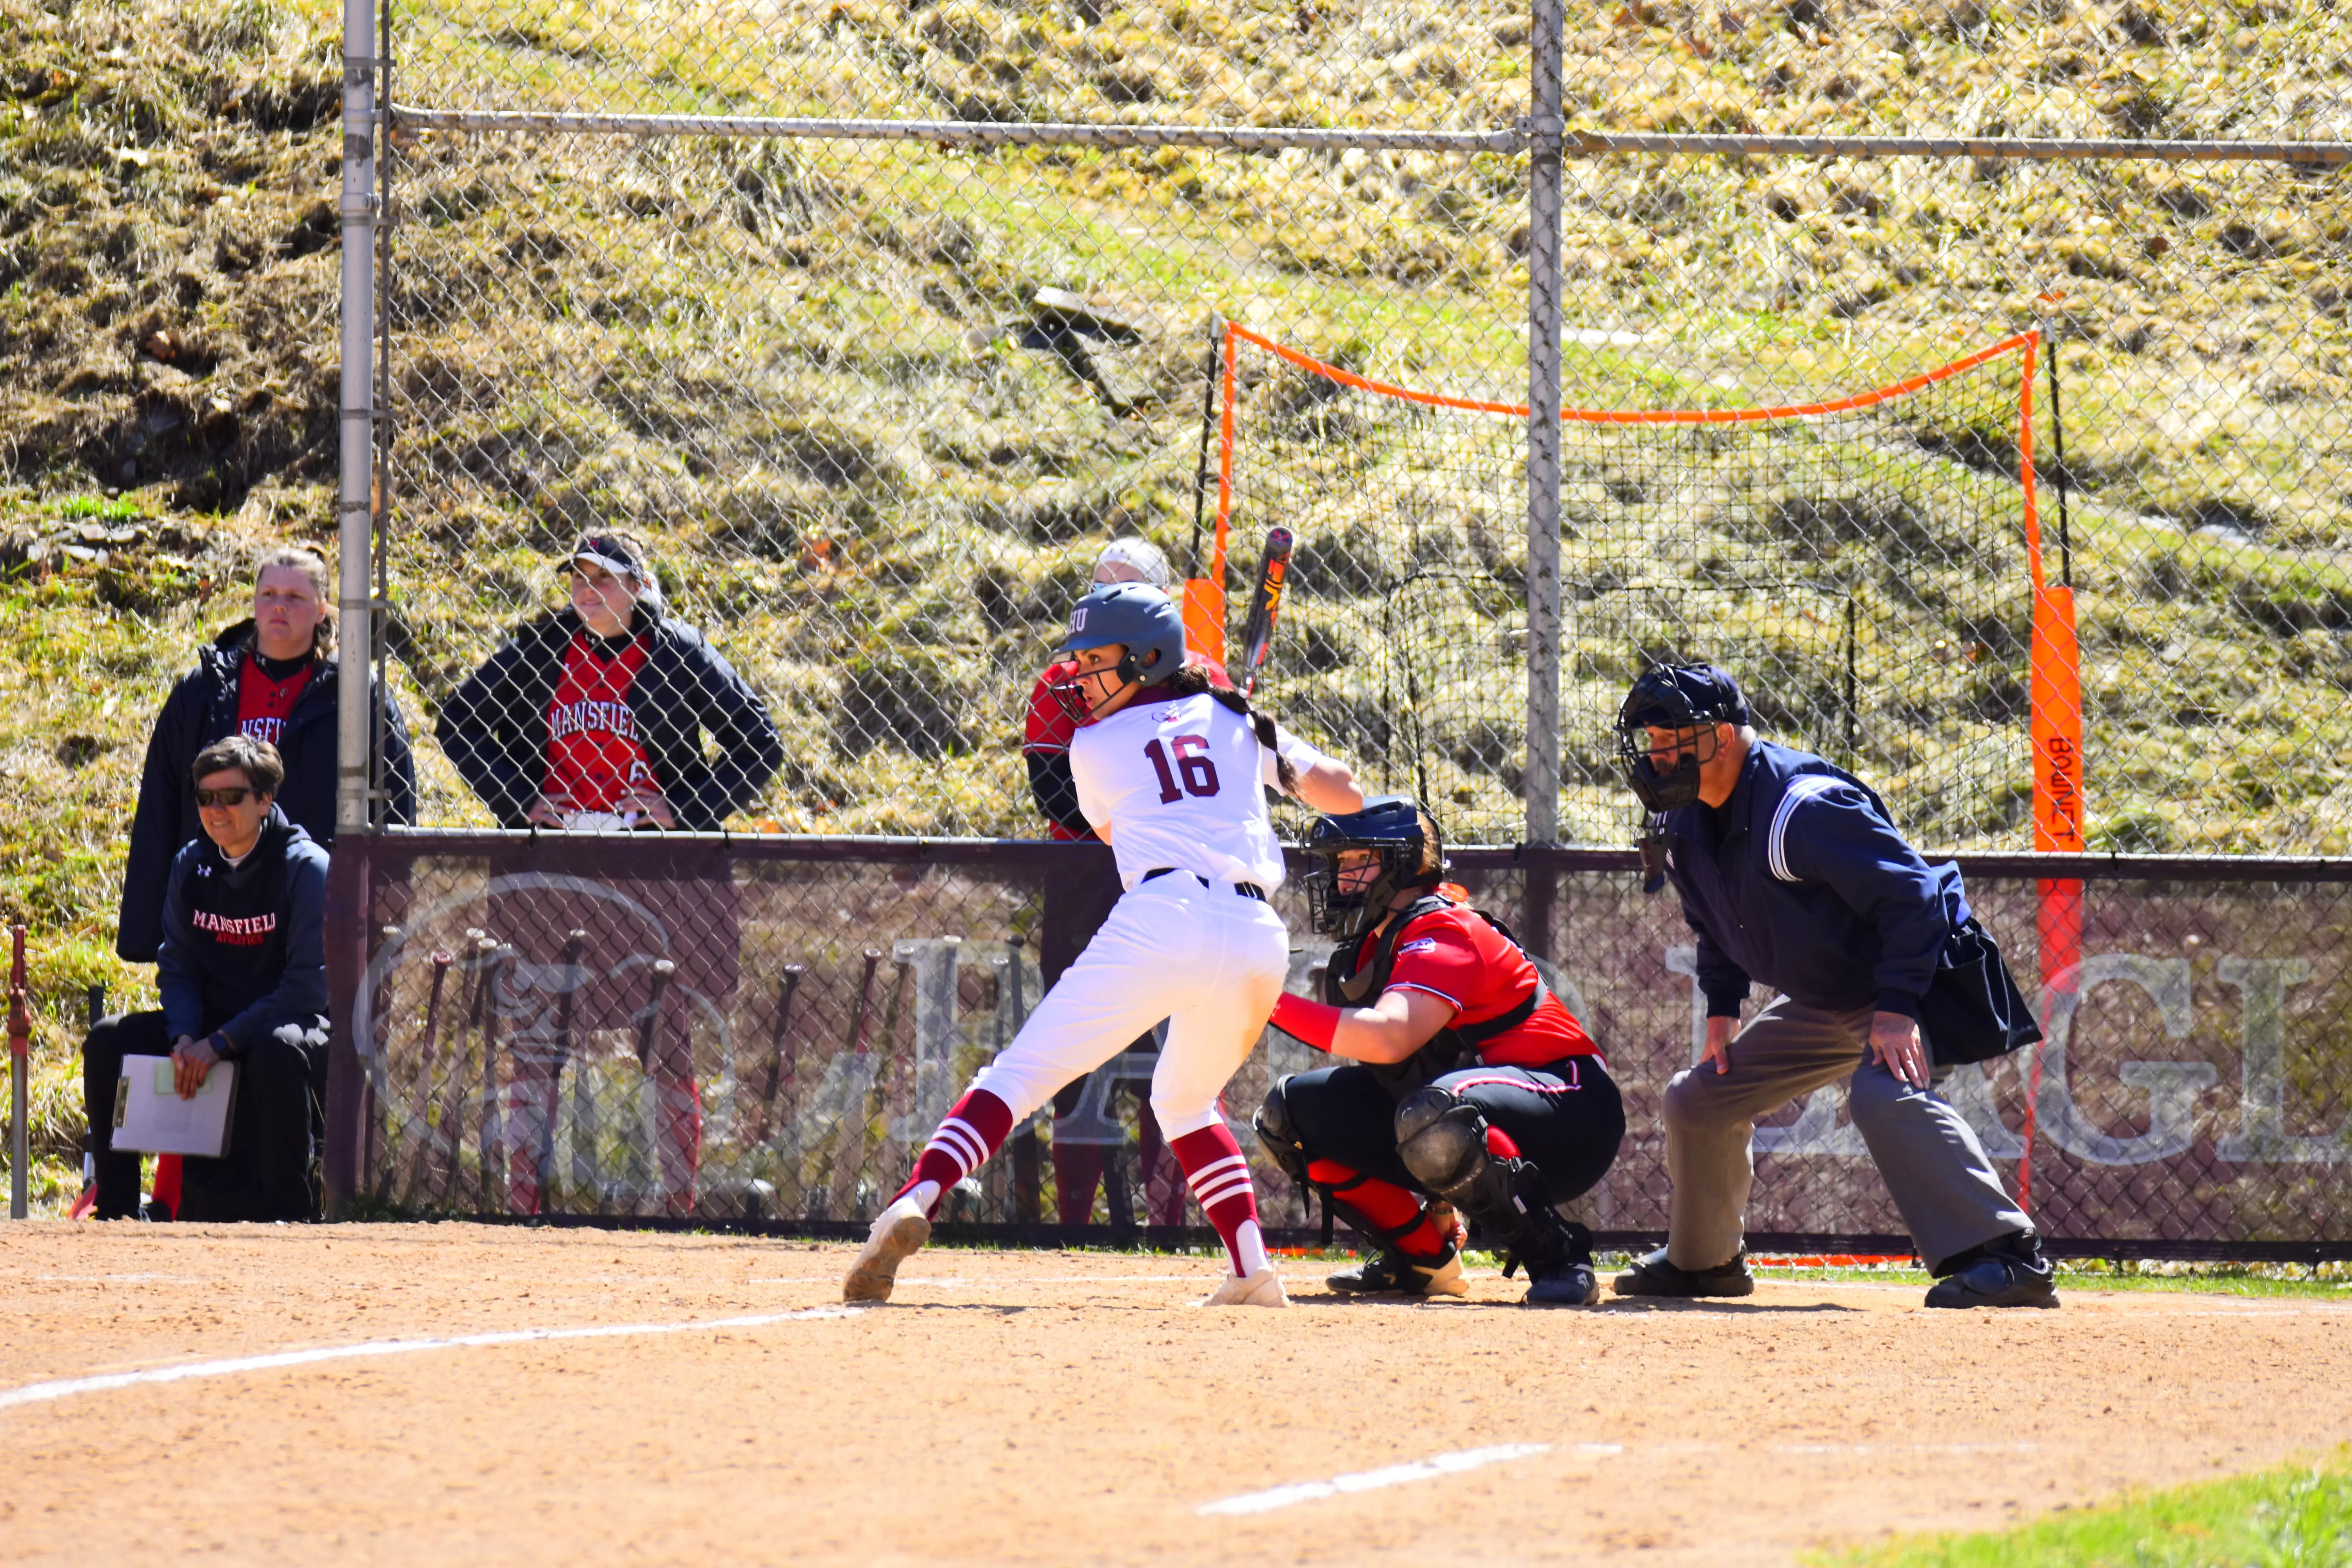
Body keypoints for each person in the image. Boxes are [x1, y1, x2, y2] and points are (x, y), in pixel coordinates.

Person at [844, 581, 1365, 1307]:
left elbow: (1124, 832)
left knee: (1020, 1074)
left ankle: (916, 1198)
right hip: (1256, 938)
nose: (1079, 678)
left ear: (1148, 658)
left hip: (1164, 915)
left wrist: (1241, 740)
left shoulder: (1092, 748)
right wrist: (1273, 751)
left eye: (1096, 660)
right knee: (1184, 1099)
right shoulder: (1236, 719)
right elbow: (1348, 793)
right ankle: (1252, 1271)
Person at [1611, 662, 2058, 1310]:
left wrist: (1898, 1009)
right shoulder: (1684, 824)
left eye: (1672, 736)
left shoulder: (1804, 810)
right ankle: (1705, 1264)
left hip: (1915, 975)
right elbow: (1710, 919)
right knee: (1697, 1099)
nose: (1657, 756)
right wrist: (1722, 1011)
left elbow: (1916, 899)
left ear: (1728, 736)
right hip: (1832, 995)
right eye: (1649, 741)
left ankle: (2008, 1256)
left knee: (1883, 1095)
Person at [437, 532, 782, 1216]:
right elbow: (459, 721)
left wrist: (684, 808)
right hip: (557, 863)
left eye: (605, 578)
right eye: (579, 578)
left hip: (651, 867)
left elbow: (759, 740)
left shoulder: (677, 651)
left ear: (638, 585)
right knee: (537, 1028)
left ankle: (679, 1202)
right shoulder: (541, 647)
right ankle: (525, 1200)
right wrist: (517, 799)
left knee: (667, 1036)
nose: (588, 591)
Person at [1255, 798, 1623, 1305]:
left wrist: (1264, 1004)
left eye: (1357, 861)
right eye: (1339, 864)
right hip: (1478, 1103)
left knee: (1435, 1113)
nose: (1341, 879)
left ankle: (1559, 1257)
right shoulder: (1367, 950)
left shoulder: (1443, 928)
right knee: (1287, 1116)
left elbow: (1390, 1036)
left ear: (1402, 864)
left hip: (1573, 1109)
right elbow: (1401, 1073)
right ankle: (1424, 1257)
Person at [1020, 536, 1226, 1230]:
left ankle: (1168, 1220)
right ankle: (1076, 1223)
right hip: (1085, 877)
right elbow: (1053, 790)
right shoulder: (1060, 682)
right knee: (1075, 1053)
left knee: (1173, 1058)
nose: (1107, 603)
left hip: (1179, 885)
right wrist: (1131, 804)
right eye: (1099, 586)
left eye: (1127, 587)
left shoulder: (1205, 681)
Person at [118, 544, 415, 965]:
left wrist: (390, 918)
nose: (279, 607)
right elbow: (161, 802)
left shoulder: (355, 693)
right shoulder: (205, 689)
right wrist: (144, 932)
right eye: (269, 595)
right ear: (254, 603)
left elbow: (397, 804)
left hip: (314, 902)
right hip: (218, 902)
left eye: (295, 598)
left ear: (321, 609)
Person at [83, 737, 330, 1221]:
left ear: (265, 800)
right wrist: (184, 1035)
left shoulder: (306, 868)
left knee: (277, 1046)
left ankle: (292, 1215)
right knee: (108, 1040)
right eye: (205, 798)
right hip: (209, 1026)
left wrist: (220, 1041)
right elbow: (178, 965)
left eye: (232, 797)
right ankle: (117, 1211)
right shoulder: (190, 864)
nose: (216, 810)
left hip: (288, 1023)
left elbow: (307, 988)